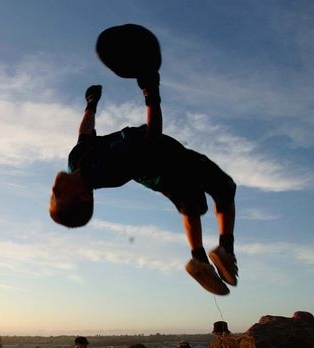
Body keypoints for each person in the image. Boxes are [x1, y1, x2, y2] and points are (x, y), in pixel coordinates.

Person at [49, 74, 238, 296]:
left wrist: (91, 105)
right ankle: (225, 248)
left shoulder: (75, 163)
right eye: (59, 196)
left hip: (157, 173)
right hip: (167, 159)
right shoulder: (109, 170)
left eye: (52, 196)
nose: (53, 189)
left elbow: (85, 134)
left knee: (191, 205)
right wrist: (151, 92)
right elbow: (153, 136)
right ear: (83, 196)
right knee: (223, 187)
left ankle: (199, 259)